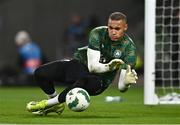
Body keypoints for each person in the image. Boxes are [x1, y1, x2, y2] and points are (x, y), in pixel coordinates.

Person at [26, 12, 138, 115]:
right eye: (110, 27)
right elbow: (92, 67)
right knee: (40, 73)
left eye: (117, 28)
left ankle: (46, 104)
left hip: (99, 81)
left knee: (82, 81)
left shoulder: (130, 50)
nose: (113, 32)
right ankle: (56, 104)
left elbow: (121, 87)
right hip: (81, 66)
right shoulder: (97, 33)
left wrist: (126, 83)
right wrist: (110, 66)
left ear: (125, 27)